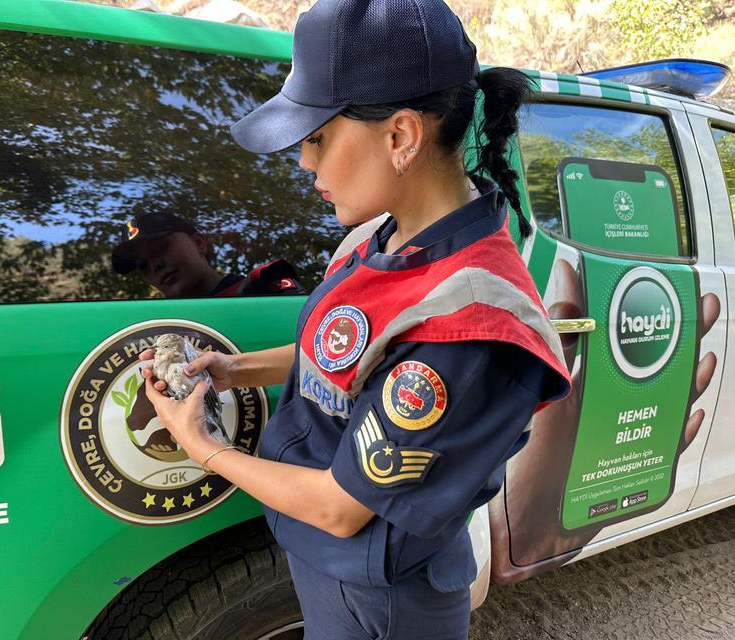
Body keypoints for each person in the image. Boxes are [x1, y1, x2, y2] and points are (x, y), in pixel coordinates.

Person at [139, 0, 572, 638]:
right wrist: (235, 371)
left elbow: (342, 509)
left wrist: (202, 446)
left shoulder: (471, 325)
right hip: (326, 559)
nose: (304, 163)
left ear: (400, 137)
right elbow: (356, 350)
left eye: (315, 138)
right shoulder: (385, 236)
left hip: (383, 598)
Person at [111, 211, 304, 297]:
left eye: (161, 247)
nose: (155, 265)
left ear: (199, 243)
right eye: (143, 265)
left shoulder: (265, 289)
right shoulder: (150, 329)